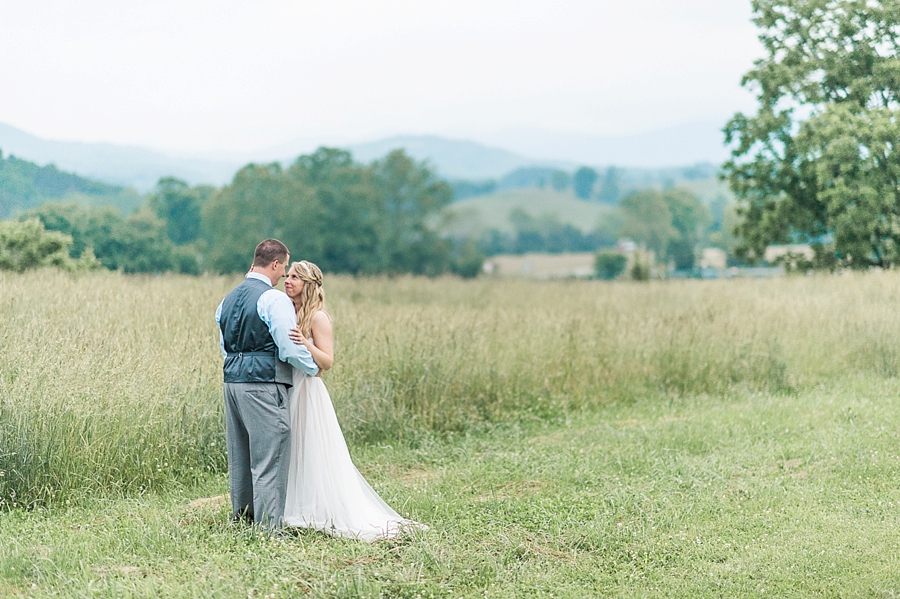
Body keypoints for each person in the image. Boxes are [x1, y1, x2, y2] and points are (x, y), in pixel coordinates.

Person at [282, 260, 426, 541]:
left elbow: (328, 361)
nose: (287, 280)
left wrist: (305, 342)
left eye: (294, 277)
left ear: (308, 284)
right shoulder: (288, 310)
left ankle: (320, 508)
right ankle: (294, 504)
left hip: (309, 390)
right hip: (288, 387)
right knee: (293, 448)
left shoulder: (318, 317)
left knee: (311, 448)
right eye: (286, 275)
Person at [215, 239, 319, 529]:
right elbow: (287, 347)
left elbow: (225, 347)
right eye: (285, 267)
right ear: (274, 264)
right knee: (270, 455)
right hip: (262, 383)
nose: (285, 274)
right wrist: (313, 367)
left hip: (232, 382)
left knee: (241, 454)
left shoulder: (227, 299)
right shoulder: (273, 299)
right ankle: (269, 529)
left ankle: (244, 520)